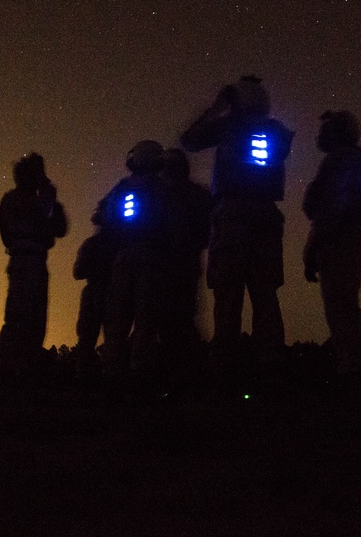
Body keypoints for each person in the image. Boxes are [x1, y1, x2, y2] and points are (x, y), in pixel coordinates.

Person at [180, 76, 294, 385]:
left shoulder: (230, 126)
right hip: (267, 219)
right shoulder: (278, 133)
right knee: (266, 298)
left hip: (231, 217)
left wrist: (218, 108)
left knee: (227, 299)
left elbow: (188, 140)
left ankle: (224, 372)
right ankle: (271, 368)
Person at [302, 110, 361, 377]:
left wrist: (313, 247)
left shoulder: (340, 160)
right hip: (349, 238)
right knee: (345, 304)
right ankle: (356, 364)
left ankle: (356, 368)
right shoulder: (357, 160)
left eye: (327, 129)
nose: (320, 135)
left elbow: (326, 207)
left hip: (338, 240)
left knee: (340, 306)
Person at [96, 140, 172, 392]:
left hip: (123, 258)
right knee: (146, 320)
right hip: (151, 258)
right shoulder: (163, 188)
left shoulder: (121, 188)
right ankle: (139, 376)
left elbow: (104, 218)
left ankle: (112, 375)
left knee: (117, 319)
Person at [0, 152, 68, 381]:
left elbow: (57, 228)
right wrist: (48, 194)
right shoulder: (20, 200)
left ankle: (20, 371)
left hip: (27, 260)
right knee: (23, 319)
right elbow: (51, 226)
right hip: (28, 260)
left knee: (30, 320)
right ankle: (8, 371)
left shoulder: (12, 201)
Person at [159, 147, 212, 388]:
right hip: (185, 264)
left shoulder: (159, 194)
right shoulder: (198, 194)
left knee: (172, 321)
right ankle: (186, 378)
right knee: (181, 320)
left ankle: (179, 379)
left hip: (171, 265)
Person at [71, 214, 117, 382]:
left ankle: (85, 377)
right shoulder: (117, 245)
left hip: (101, 292)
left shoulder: (91, 244)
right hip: (108, 293)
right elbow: (78, 272)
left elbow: (77, 272)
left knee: (88, 338)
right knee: (109, 338)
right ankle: (108, 378)